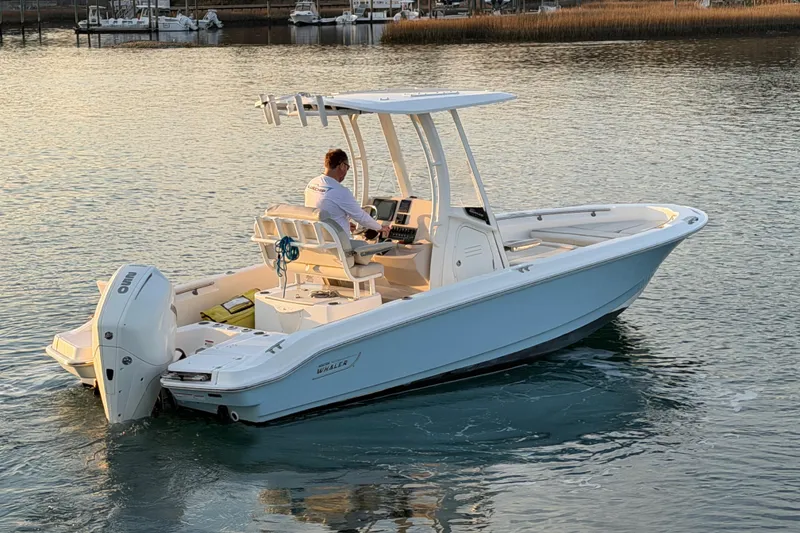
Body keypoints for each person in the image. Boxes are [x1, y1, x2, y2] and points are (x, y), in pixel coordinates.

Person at [305, 149, 391, 238]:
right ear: (342, 165)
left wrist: (345, 223)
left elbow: (324, 211)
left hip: (319, 238)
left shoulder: (311, 184)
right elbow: (361, 217)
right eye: (347, 167)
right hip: (339, 245)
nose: (346, 171)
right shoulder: (340, 191)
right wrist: (381, 228)